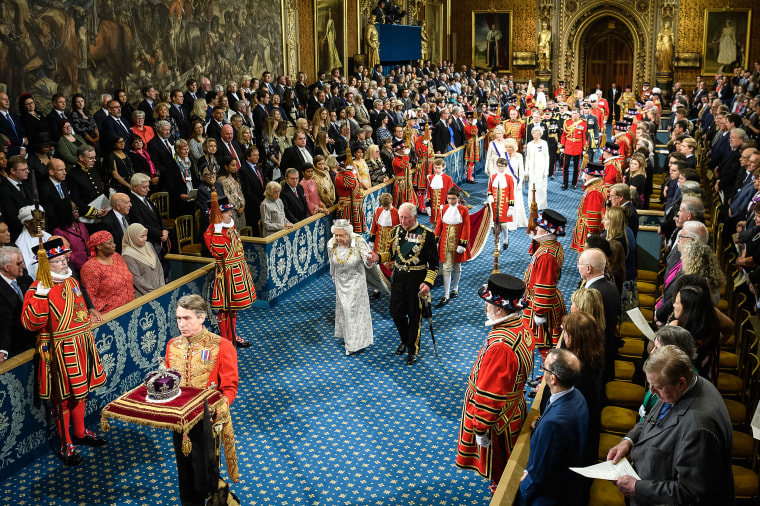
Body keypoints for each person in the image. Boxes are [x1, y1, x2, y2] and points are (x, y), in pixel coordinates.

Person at [607, 345, 733, 505]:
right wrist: (628, 441)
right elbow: (651, 418)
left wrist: (637, 488)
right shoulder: (680, 387)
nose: (652, 391)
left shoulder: (699, 428)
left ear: (681, 382)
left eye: (657, 387)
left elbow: (690, 492)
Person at [21, 238, 108, 466]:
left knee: (82, 392)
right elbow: (31, 323)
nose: (63, 262)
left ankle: (79, 432)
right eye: (58, 260)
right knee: (64, 399)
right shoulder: (36, 289)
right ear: (45, 264)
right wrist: (41, 294)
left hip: (81, 344)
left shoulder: (71, 281)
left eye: (63, 258)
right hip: (59, 350)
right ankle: (66, 442)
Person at [456, 273, 534, 493]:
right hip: (512, 411)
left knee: (501, 476)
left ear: (499, 309)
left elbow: (490, 395)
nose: (486, 308)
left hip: (498, 423)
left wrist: (480, 430)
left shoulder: (500, 346)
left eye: (488, 304)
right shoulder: (521, 326)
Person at [166, 294, 240, 505]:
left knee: (205, 477)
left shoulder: (222, 346)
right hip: (180, 422)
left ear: (202, 318)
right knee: (186, 475)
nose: (181, 324)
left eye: (187, 318)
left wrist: (217, 410)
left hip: (209, 423)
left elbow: (229, 388)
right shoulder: (172, 345)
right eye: (178, 318)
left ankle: (227, 502)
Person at [368, 203, 438, 366]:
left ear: (414, 217)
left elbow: (434, 265)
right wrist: (378, 257)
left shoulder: (427, 235)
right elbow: (391, 254)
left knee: (414, 316)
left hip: (417, 281)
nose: (403, 220)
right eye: (401, 217)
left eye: (406, 217)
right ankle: (406, 340)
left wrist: (428, 283)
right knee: (396, 313)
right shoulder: (396, 231)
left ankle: (412, 349)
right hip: (398, 279)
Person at [520, 348, 588, 505]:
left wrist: (522, 487)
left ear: (553, 379)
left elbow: (540, 475)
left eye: (544, 368)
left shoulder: (553, 424)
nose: (542, 371)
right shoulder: (577, 395)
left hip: (549, 497)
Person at [523, 210, 567, 358]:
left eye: (540, 228)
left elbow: (545, 285)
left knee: (545, 343)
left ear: (547, 232)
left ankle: (546, 377)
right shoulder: (553, 245)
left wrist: (539, 311)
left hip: (543, 304)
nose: (536, 229)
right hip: (547, 301)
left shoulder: (547, 256)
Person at [327, 219, 374, 356]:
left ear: (348, 234)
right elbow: (332, 264)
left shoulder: (358, 242)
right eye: (336, 235)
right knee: (345, 311)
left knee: (351, 310)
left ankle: (353, 345)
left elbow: (368, 262)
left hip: (356, 281)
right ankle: (350, 338)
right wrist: (334, 278)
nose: (338, 238)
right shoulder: (331, 244)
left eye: (341, 235)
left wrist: (369, 259)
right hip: (341, 283)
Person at [578, 247, 620, 380]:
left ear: (588, 268)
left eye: (579, 264)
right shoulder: (611, 286)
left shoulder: (593, 295)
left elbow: (586, 332)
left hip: (595, 361)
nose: (578, 268)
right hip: (608, 352)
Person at [669, 285, 721, 385]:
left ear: (687, 308)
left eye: (676, 302)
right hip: (708, 385)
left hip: (690, 389)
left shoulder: (679, 332)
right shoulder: (710, 326)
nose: (674, 305)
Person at [79, 231, 135, 314]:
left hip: (132, 304)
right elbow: (90, 295)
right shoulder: (90, 267)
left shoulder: (116, 256)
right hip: (112, 313)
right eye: (110, 243)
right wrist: (104, 309)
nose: (114, 245)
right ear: (99, 246)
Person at [434, 187, 470, 307]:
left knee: (457, 266)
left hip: (457, 244)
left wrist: (463, 244)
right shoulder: (443, 209)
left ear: (458, 198)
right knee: (446, 268)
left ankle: (455, 287)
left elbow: (466, 228)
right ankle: (446, 294)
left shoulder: (464, 210)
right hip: (445, 245)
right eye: (449, 198)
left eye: (453, 199)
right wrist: (435, 240)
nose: (450, 201)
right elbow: (439, 226)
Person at [0, 246, 36, 361]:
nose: (24, 266)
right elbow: (4, 322)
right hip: (14, 349)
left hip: (34, 342)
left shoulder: (26, 280)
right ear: (6, 267)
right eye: (19, 263)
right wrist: (3, 350)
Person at [571, 162, 606, 252]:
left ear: (593, 176)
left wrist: (591, 232)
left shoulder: (594, 191)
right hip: (586, 225)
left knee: (586, 254)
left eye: (587, 174)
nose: (584, 176)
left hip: (587, 227)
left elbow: (594, 214)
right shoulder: (596, 186)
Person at [121, 223, 165, 297]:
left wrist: (162, 287)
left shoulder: (149, 245)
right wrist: (154, 293)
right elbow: (137, 280)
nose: (145, 239)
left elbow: (159, 267)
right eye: (142, 236)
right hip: (144, 296)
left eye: (145, 235)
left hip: (160, 291)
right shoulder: (127, 255)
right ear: (133, 237)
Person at [51, 200, 90, 274]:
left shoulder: (81, 225)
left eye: (76, 208)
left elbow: (89, 242)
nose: (77, 211)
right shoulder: (58, 232)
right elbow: (65, 255)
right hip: (75, 270)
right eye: (74, 209)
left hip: (90, 265)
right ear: (66, 212)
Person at [487, 157, 515, 251]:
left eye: (503, 166)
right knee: (496, 225)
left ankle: (506, 239)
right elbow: (489, 190)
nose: (501, 168)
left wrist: (511, 207)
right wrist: (489, 196)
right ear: (497, 166)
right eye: (499, 166)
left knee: (503, 225)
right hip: (494, 205)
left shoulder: (509, 178)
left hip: (505, 205)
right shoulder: (492, 176)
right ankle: (497, 244)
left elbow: (511, 193)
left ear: (506, 167)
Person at [425, 157, 461, 226]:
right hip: (433, 206)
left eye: (439, 168)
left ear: (443, 167)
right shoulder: (430, 178)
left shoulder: (448, 178)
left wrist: (450, 203)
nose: (437, 170)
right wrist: (428, 202)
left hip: (444, 204)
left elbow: (451, 192)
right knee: (434, 224)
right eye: (435, 168)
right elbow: (429, 190)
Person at [560, 108, 588, 190]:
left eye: (575, 113)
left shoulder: (583, 123)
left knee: (576, 167)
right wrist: (562, 146)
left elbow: (584, 136)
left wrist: (584, 148)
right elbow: (564, 135)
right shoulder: (567, 122)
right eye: (572, 113)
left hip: (577, 146)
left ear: (579, 114)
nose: (573, 115)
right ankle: (565, 182)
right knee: (566, 166)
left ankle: (574, 183)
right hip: (568, 146)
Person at [503, 138, 527, 229]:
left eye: (510, 147)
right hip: (504, 181)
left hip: (514, 181)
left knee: (514, 202)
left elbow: (521, 172)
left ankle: (513, 223)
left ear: (514, 147)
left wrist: (520, 183)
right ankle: (505, 222)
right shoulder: (502, 155)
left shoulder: (519, 156)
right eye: (506, 147)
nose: (508, 149)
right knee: (505, 202)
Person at [218, 156, 247, 231]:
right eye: (233, 165)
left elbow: (240, 192)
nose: (235, 167)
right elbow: (226, 195)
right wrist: (237, 208)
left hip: (240, 208)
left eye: (236, 165)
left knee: (242, 231)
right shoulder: (222, 180)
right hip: (232, 210)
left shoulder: (235, 177)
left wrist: (242, 205)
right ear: (226, 166)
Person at [524, 126, 549, 209]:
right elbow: (527, 157)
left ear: (540, 134)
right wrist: (526, 169)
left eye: (537, 134)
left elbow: (546, 157)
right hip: (531, 168)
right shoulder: (530, 144)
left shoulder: (544, 143)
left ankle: (541, 205)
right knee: (531, 186)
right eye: (534, 133)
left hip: (541, 168)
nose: (536, 135)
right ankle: (531, 203)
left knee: (541, 186)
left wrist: (546, 170)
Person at [369, 193, 399, 257]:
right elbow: (374, 227)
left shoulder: (397, 213)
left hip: (391, 245)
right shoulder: (377, 211)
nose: (385, 208)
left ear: (391, 202)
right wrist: (371, 242)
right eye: (383, 206)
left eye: (387, 206)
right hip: (378, 245)